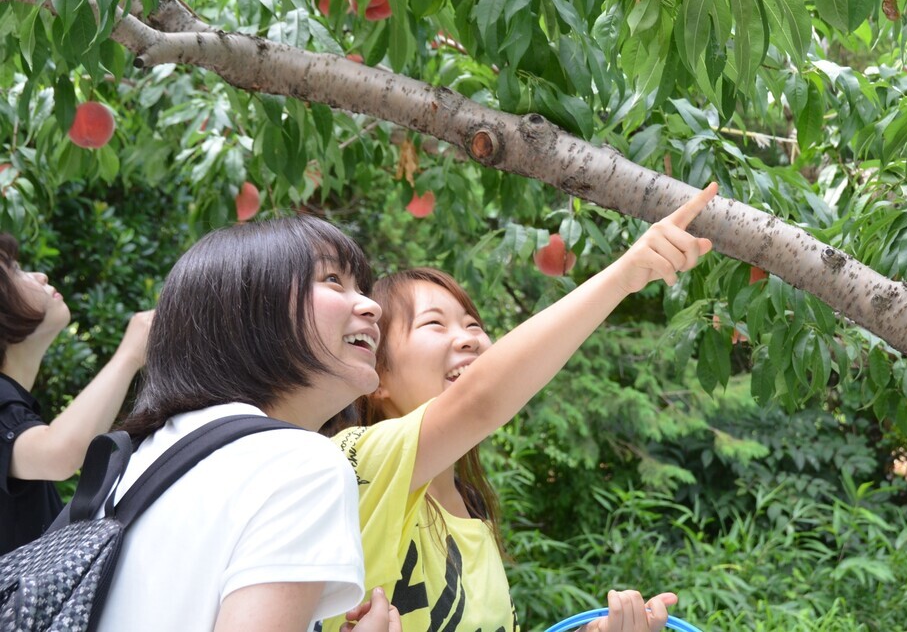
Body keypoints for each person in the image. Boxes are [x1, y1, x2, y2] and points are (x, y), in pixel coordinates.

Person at [323, 183, 719, 632]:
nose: (471, 338)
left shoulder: (472, 509)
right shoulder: (354, 462)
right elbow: (481, 400)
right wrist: (625, 275)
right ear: (378, 375)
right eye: (435, 324)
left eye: (474, 324)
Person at [89, 216, 399, 632]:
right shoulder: (301, 465)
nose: (371, 305)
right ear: (251, 308)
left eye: (360, 287)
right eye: (331, 280)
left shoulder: (138, 459)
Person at [0, 231, 154, 556]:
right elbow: (57, 455)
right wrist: (129, 356)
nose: (40, 275)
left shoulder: (14, 403)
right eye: (14, 270)